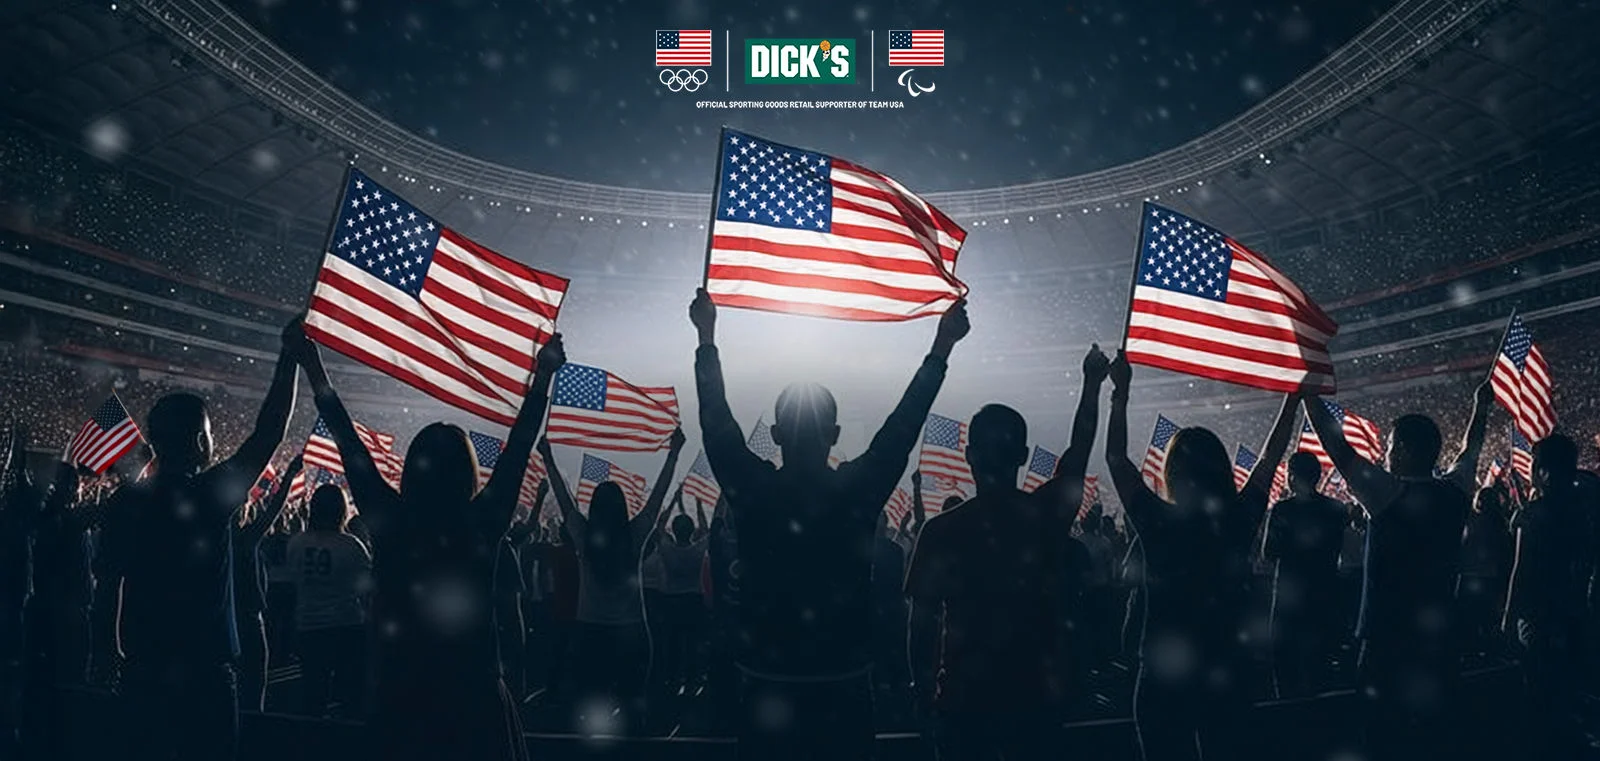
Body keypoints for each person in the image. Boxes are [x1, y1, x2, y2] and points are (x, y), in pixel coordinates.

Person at [691, 287, 969, 761]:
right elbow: (903, 426)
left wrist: (706, 336)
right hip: (844, 687)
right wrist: (940, 348)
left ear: (775, 435)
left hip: (765, 683)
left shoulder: (755, 491)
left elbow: (715, 420)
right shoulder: (857, 491)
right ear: (835, 435)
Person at [294, 324, 564, 761]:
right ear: (467, 472)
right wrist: (543, 377)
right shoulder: (483, 520)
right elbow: (518, 448)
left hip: (402, 692)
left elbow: (348, 442)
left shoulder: (390, 519)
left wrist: (313, 366)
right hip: (472, 693)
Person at [96, 318, 300, 761]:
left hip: (142, 668)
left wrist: (107, 650)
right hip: (205, 673)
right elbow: (268, 433)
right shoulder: (209, 495)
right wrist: (289, 358)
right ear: (197, 442)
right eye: (209, 433)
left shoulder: (124, 504)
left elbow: (110, 584)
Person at [904, 344, 1109, 761]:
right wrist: (1092, 383)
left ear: (968, 457)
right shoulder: (1045, 515)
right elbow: (1080, 448)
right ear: (1022, 456)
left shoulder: (940, 531)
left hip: (964, 705)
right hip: (1034, 701)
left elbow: (921, 629)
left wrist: (924, 695)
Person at [1103, 351, 1300, 761]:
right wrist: (1292, 400)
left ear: (1172, 473)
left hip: (1163, 675)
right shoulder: (1238, 521)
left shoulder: (1156, 521)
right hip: (1226, 670)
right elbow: (1268, 461)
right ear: (1222, 471)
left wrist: (1119, 393)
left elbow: (1117, 459)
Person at [1304, 386, 1481, 761]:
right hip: (1439, 641)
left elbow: (1340, 451)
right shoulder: (1456, 493)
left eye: (1390, 447)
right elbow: (1471, 449)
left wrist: (1308, 396)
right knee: (1436, 737)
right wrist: (1481, 407)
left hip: (1387, 642)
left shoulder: (1388, 494)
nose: (1385, 455)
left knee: (1385, 738)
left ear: (1403, 451)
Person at [539, 428, 685, 734]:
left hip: (589, 631)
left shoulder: (581, 534)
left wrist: (548, 458)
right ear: (622, 506)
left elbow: (564, 499)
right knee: (633, 713)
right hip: (632, 632)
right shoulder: (635, 534)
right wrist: (673, 453)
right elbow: (657, 498)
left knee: (589, 713)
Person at [1502, 433, 1595, 758]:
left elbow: (1521, 569)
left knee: (1541, 687)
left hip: (1539, 614)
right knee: (1571, 686)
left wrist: (1507, 619)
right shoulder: (1586, 508)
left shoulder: (1535, 513)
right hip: (1576, 609)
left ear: (1542, 470)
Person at [1264, 452, 1348, 697]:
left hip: (1289, 596)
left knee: (1284, 662)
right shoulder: (1336, 509)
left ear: (1291, 477)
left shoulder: (1282, 510)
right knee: (1321, 662)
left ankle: (1289, 720)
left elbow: (1268, 552)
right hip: (1325, 592)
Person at [287, 483, 371, 718]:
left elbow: (293, 583)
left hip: (309, 625)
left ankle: (310, 745)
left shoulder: (296, 543)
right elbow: (367, 589)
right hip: (347, 626)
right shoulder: (351, 545)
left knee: (313, 693)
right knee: (351, 697)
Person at [234, 455, 302, 712]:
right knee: (254, 681)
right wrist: (289, 476)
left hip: (221, 616)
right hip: (249, 617)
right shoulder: (244, 539)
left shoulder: (217, 537)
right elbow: (273, 511)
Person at [656, 499, 710, 703]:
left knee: (673, 642)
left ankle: (672, 680)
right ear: (690, 530)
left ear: (675, 530)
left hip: (671, 601)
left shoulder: (667, 550)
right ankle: (691, 681)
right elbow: (705, 530)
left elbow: (659, 527)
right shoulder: (697, 551)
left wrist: (671, 502)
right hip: (694, 600)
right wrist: (697, 506)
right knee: (693, 642)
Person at [1457, 485, 1512, 658]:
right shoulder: (1499, 523)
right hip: (1489, 578)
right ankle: (1489, 655)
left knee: (1469, 621)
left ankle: (1473, 655)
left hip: (1471, 576)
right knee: (1486, 619)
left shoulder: (1471, 520)